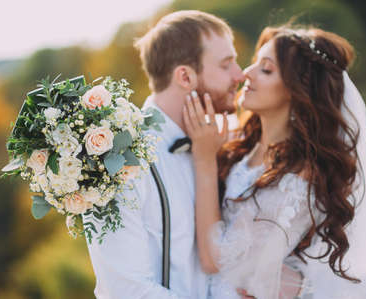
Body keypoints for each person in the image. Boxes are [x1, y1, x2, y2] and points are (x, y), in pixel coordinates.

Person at [183, 25, 366, 298]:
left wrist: (204, 160)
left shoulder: (300, 176)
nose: (246, 73)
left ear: (296, 90)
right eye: (255, 63)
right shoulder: (239, 142)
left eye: (265, 69)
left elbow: (216, 259)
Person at [84, 10, 248, 298]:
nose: (240, 74)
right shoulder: (116, 159)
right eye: (226, 65)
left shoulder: (219, 144)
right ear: (185, 76)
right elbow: (126, 290)